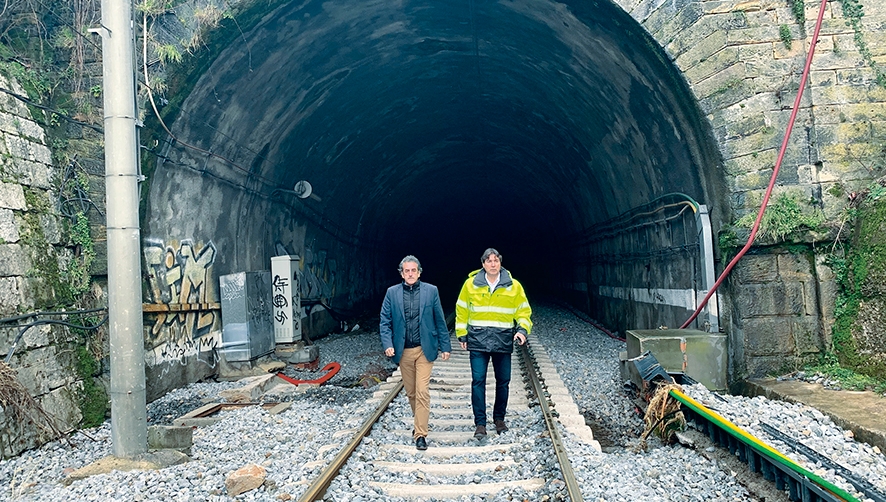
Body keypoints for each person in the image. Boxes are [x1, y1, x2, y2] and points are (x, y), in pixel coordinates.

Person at [455, 248, 532, 439]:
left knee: (503, 382)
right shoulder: (470, 285)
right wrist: (462, 334)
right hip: (478, 340)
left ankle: (499, 419)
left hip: (502, 340)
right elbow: (462, 309)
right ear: (483, 264)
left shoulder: (514, 286)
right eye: (488, 261)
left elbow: (523, 311)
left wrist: (522, 330)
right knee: (478, 381)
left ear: (500, 263)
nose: (492, 264)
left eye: (496, 260)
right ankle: (480, 424)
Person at [380, 255, 452, 450]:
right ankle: (418, 423)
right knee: (411, 392)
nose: (410, 274)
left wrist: (445, 346)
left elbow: (439, 320)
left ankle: (420, 433)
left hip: (424, 349)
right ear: (401, 273)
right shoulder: (392, 293)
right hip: (403, 351)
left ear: (419, 272)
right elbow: (385, 321)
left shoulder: (431, 291)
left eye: (413, 270)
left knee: (422, 391)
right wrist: (387, 343)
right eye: (406, 271)